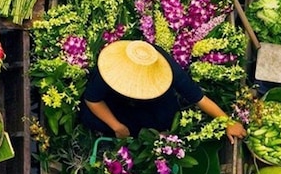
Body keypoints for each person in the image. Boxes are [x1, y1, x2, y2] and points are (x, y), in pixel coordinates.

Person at [79, 40, 247, 143]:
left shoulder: (168, 69)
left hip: (153, 101)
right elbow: (92, 99)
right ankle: (128, 131)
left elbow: (198, 98)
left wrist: (227, 121)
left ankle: (147, 134)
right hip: (114, 99)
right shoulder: (110, 68)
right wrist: (117, 126)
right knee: (89, 116)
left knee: (165, 118)